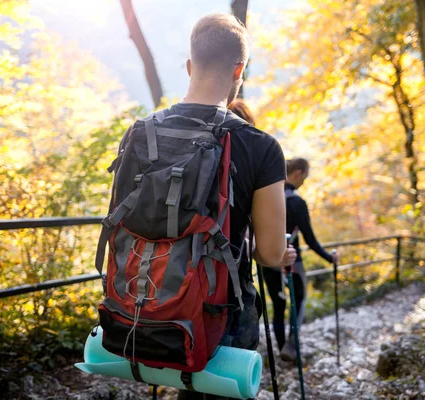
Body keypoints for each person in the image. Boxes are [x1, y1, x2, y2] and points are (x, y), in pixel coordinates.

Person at [171, 14, 296, 400]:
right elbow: (271, 253)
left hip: (151, 301)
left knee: (186, 389)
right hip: (222, 312)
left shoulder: (141, 131)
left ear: (189, 66)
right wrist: (281, 253)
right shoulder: (259, 146)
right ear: (239, 70)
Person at [263, 158, 338, 362]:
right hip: (291, 261)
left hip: (267, 259)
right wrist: (329, 258)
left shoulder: (266, 198)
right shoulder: (296, 202)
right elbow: (310, 240)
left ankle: (281, 350)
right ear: (297, 173)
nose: (305, 181)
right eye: (305, 176)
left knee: (279, 306)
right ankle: (291, 346)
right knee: (299, 301)